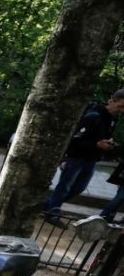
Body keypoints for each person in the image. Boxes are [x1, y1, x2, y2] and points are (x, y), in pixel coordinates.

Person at [43, 89, 124, 219]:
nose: (122, 110)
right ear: (112, 100)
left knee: (79, 188)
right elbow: (74, 140)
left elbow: (103, 137)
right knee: (65, 186)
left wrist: (108, 143)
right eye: (121, 106)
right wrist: (96, 144)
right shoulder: (93, 115)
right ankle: (52, 213)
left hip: (91, 159)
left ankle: (48, 205)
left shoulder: (113, 118)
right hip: (76, 157)